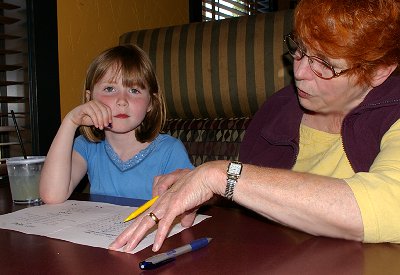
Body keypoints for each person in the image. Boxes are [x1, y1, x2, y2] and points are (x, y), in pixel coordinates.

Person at [109, 0, 400, 252]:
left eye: (324, 64)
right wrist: (203, 186)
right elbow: (260, 202)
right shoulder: (278, 111)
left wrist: (221, 176)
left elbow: (389, 205)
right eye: (298, 48)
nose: (298, 72)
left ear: (378, 71)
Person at [39, 45, 193, 203]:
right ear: (89, 98)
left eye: (134, 90)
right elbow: (52, 195)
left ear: (150, 103)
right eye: (110, 88)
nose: (122, 101)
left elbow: (190, 199)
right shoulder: (87, 146)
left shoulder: (170, 150)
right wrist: (70, 122)